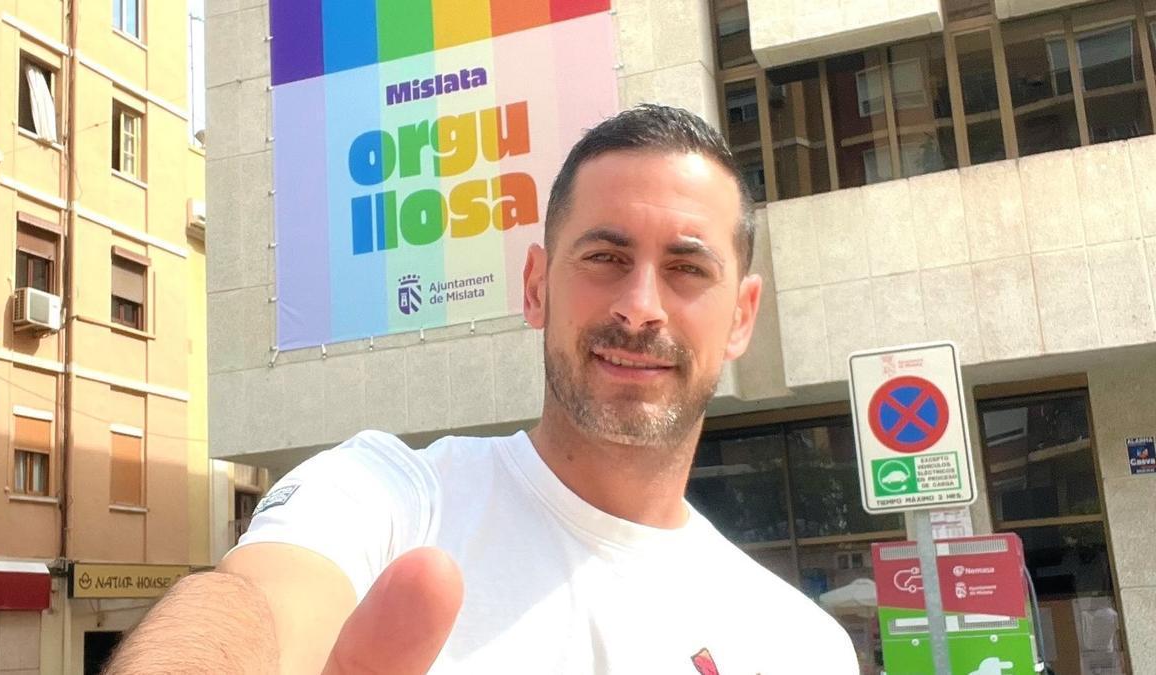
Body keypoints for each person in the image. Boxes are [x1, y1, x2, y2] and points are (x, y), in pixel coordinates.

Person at [106, 104, 859, 674]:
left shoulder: (804, 647)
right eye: (604, 256)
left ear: (742, 316)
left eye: (687, 269)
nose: (641, 306)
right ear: (537, 287)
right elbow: (254, 600)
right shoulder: (394, 497)